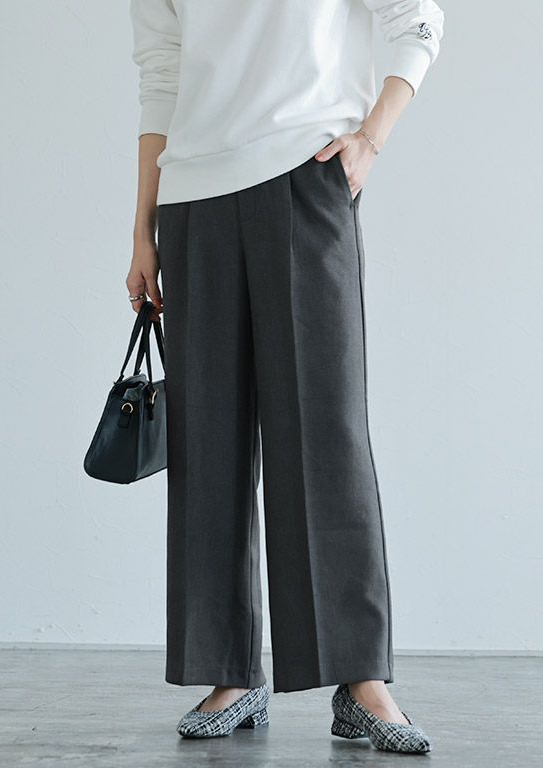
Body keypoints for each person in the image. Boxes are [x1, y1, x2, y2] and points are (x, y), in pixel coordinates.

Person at [127, 0, 444, 754]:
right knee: (207, 439)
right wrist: (143, 228)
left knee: (325, 432)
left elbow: (419, 20)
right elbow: (162, 76)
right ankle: (229, 672)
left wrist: (372, 137)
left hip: (307, 173)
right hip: (192, 197)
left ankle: (361, 680)